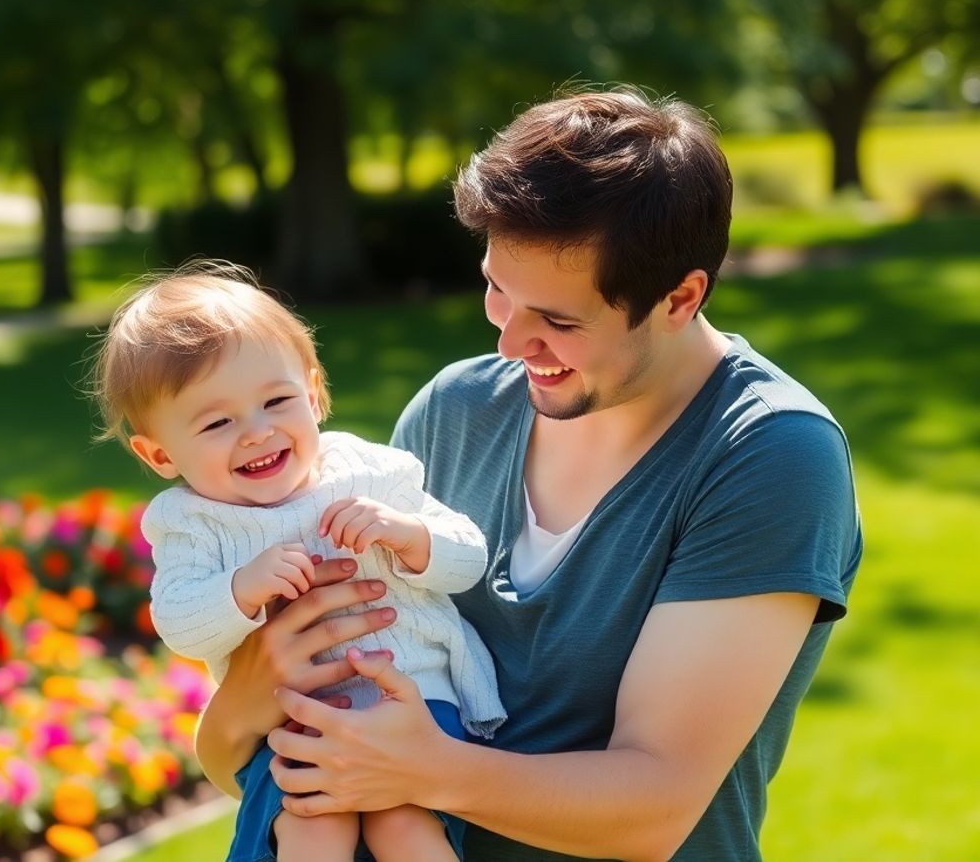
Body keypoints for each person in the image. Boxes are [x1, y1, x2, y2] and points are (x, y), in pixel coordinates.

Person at [193, 87, 863, 861]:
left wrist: (423, 767)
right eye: (497, 291)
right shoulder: (455, 412)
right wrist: (247, 695)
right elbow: (236, 763)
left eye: (558, 321)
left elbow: (655, 807)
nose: (512, 345)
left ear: (680, 297)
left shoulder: (769, 454)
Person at [90, 262, 506, 862]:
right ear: (159, 454)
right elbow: (178, 623)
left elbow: (467, 554)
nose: (257, 432)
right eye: (217, 422)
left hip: (413, 695)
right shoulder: (193, 523)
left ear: (312, 394)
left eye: (277, 400)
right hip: (294, 718)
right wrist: (240, 589)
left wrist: (409, 536)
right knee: (313, 827)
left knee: (404, 826)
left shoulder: (366, 473)